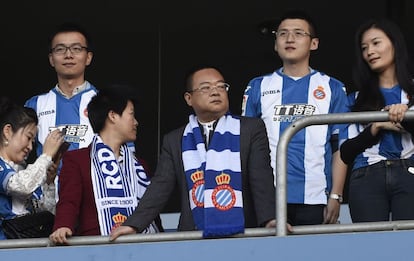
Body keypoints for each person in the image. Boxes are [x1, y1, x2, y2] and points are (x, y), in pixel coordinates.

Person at [109, 65, 278, 241]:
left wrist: (271, 220)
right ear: (189, 98)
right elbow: (160, 186)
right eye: (206, 87)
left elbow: (261, 178)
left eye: (221, 86)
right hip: (193, 235)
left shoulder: (250, 129)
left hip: (243, 232)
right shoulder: (175, 139)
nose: (215, 92)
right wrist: (133, 224)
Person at [241, 10, 348, 225]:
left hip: (316, 196)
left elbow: (340, 146)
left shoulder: (332, 88)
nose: (290, 39)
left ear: (314, 43)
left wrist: (335, 195)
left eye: (298, 33)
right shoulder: (257, 86)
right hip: (267, 199)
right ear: (275, 43)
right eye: (283, 34)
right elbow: (245, 148)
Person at [49, 88, 161, 245]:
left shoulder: (139, 165)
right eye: (131, 114)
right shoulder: (77, 160)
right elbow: (69, 200)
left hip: (143, 248)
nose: (136, 122)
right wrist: (63, 225)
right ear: (113, 116)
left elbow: (151, 212)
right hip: (97, 248)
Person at [340, 18, 414, 222]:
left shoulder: (412, 92)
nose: (369, 52)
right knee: (369, 248)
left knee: (408, 244)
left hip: (410, 171)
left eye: (376, 43)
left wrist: (405, 118)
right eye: (364, 48)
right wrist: (377, 127)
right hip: (366, 175)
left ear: (394, 43)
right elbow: (345, 151)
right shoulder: (355, 99)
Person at [24, 22, 98, 192]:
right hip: (46, 205)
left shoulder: (105, 104)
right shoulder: (34, 105)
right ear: (51, 59)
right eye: (60, 49)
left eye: (76, 49)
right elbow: (15, 160)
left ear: (88, 57)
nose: (68, 55)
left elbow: (125, 161)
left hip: (92, 204)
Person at [0, 97, 64, 239]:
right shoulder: (12, 170)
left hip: (26, 249)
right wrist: (46, 155)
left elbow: (48, 213)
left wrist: (49, 182)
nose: (30, 147)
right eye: (28, 138)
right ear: (8, 131)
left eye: (33, 142)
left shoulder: (26, 171)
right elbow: (21, 185)